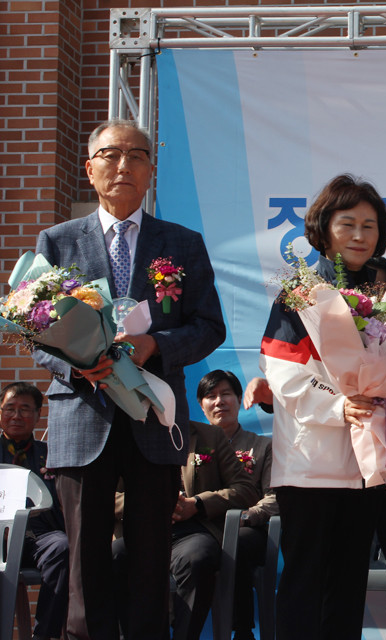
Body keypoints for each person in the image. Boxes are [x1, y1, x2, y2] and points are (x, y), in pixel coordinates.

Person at [34, 119, 226, 640]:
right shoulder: (57, 242)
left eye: (136, 155)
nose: (124, 166)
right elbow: (35, 330)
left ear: (150, 170)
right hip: (83, 415)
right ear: (89, 167)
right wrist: (75, 363)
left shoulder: (181, 243)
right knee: (84, 560)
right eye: (111, 155)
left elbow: (209, 326)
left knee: (150, 560)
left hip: (153, 417)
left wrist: (155, 345)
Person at [259, 174, 386, 639]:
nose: (360, 235)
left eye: (369, 226)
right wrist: (339, 406)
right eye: (348, 224)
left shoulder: (384, 294)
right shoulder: (301, 291)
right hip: (310, 463)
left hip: (365, 462)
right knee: (304, 583)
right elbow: (283, 372)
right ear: (324, 228)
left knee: (348, 584)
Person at [114, 418, 257, 640]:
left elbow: (245, 489)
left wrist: (197, 504)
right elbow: (108, 495)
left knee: (197, 559)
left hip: (194, 530)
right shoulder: (126, 436)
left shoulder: (210, 436)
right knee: (115, 556)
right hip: (144, 529)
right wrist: (151, 505)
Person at [197, 370, 279, 640]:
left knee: (236, 542)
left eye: (226, 394)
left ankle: (242, 631)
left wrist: (248, 515)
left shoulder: (262, 446)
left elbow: (275, 496)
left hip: (248, 529)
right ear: (201, 405)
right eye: (211, 396)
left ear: (239, 399)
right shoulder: (189, 446)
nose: (219, 401)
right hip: (200, 528)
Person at [0, 382, 68, 640]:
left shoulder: (52, 456)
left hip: (39, 536)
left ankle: (44, 635)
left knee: (62, 547)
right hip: (0, 536)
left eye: (25, 409)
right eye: (10, 408)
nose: (16, 416)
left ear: (38, 415)